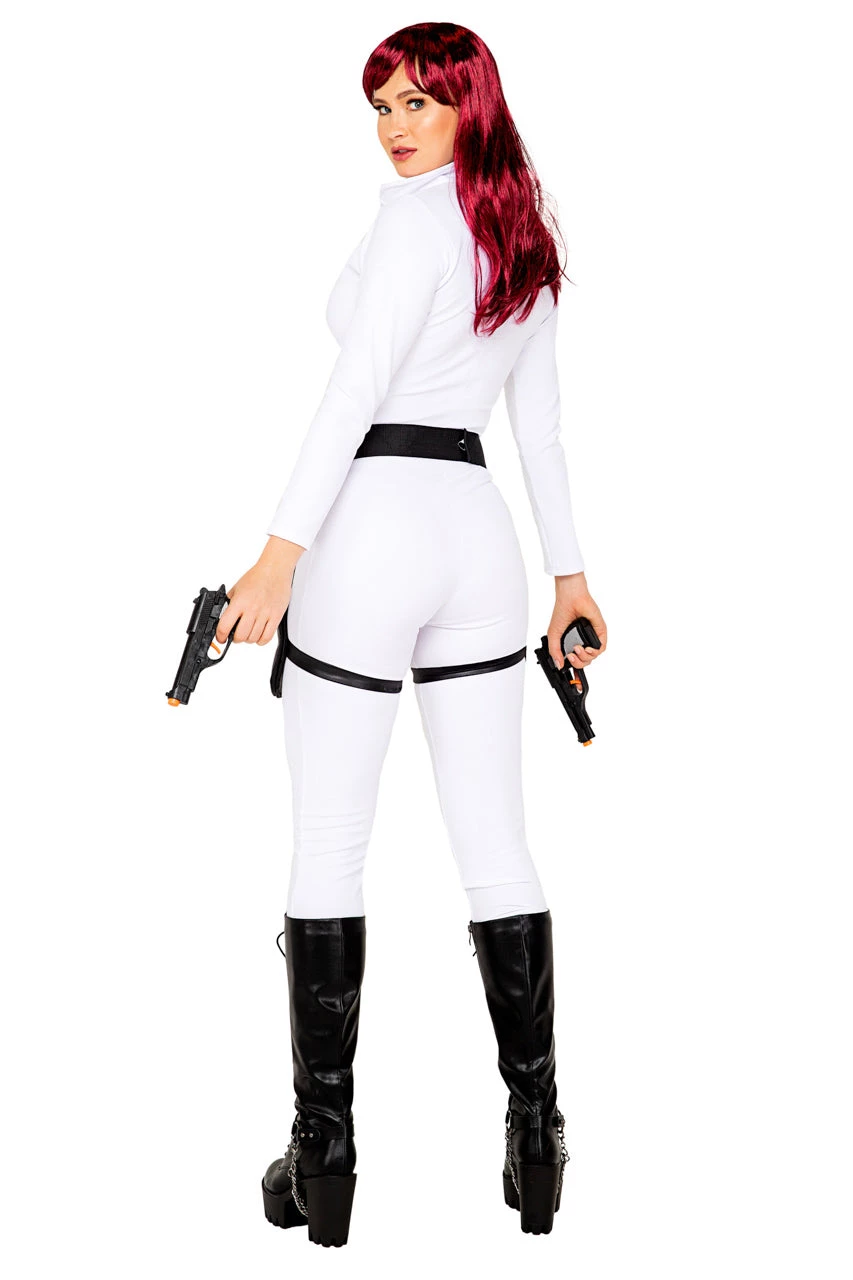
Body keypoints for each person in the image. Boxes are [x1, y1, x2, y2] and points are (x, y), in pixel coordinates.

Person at [215, 22, 608, 1246]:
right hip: (480, 535)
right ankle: (536, 1137)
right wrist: (570, 579)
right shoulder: (523, 234)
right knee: (497, 841)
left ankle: (322, 1154)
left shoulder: (412, 226)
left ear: (467, 106)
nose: (393, 126)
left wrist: (278, 552)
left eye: (419, 102)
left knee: (330, 841)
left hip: (374, 523)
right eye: (381, 104)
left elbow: (350, 388)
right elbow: (538, 429)